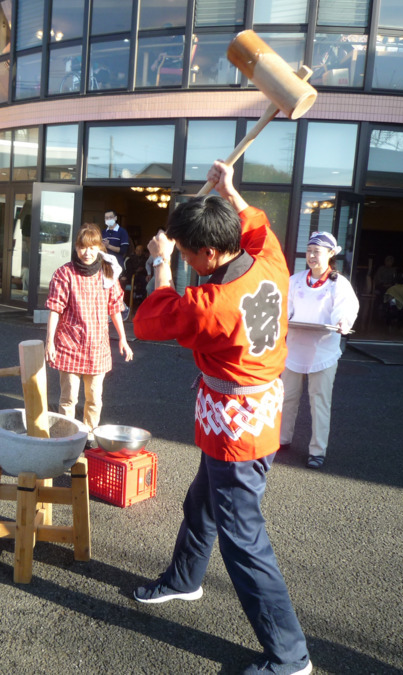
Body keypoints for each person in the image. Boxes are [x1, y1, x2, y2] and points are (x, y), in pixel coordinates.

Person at [132, 161, 311, 675]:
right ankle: (185, 578)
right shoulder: (270, 262)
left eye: (189, 254)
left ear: (209, 253)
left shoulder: (211, 303)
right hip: (245, 416)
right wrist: (231, 191)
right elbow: (257, 222)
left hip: (238, 430)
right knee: (202, 503)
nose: (186, 260)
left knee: (244, 541)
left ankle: (290, 655)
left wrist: (161, 264)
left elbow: (148, 319)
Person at [45, 224, 133, 441]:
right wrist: (49, 342)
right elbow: (55, 309)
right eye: (83, 247)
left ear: (99, 248)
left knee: (94, 399)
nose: (87, 252)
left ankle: (89, 437)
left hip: (97, 347)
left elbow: (114, 307)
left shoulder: (107, 272)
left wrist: (123, 338)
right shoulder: (64, 273)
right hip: (69, 344)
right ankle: (67, 437)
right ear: (76, 248)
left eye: (92, 247)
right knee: (68, 399)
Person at [279, 231, 359, 469]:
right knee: (287, 397)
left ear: (331, 254)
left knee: (320, 401)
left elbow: (346, 309)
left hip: (322, 349)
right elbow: (286, 308)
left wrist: (343, 322)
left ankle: (317, 450)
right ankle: (281, 439)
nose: (311, 256)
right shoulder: (295, 280)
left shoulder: (338, 283)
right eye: (309, 250)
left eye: (317, 251)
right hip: (294, 347)